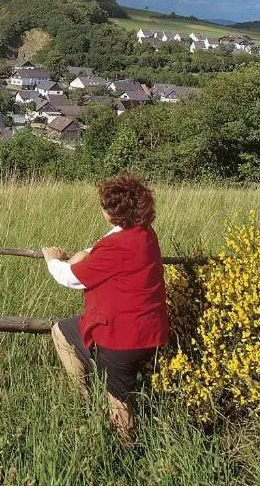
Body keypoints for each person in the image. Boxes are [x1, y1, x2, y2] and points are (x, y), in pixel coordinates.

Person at [42, 173, 169, 441]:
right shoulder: (145, 233)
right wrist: (86, 254)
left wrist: (53, 260)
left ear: (111, 212)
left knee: (120, 403)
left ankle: (126, 449)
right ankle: (86, 401)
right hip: (151, 330)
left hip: (123, 336)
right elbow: (108, 247)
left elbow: (71, 278)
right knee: (62, 330)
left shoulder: (118, 246)